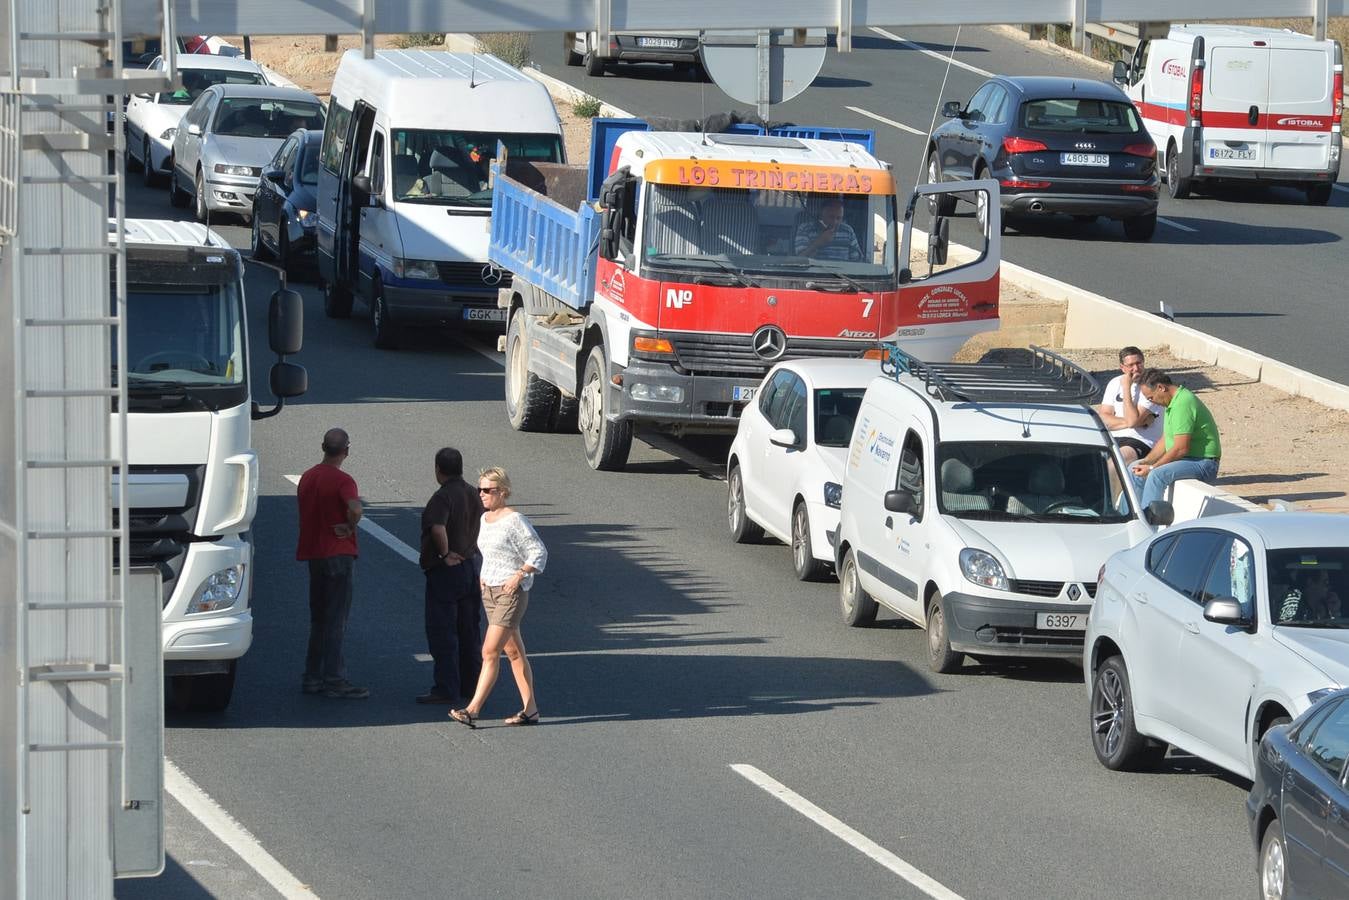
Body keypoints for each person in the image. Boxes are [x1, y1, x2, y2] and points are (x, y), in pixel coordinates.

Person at [451, 467, 548, 728]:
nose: (481, 494)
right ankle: (531, 711)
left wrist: (519, 575)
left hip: (511, 593)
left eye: (487, 490)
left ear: (502, 493)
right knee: (514, 652)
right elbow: (490, 553)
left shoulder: (515, 520)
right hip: (490, 591)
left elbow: (538, 552)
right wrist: (484, 576)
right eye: (479, 489)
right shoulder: (485, 520)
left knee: (489, 650)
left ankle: (472, 709)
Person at [295, 428, 368, 699]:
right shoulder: (343, 480)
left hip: (313, 553)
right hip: (337, 552)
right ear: (346, 451)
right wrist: (349, 526)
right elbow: (355, 508)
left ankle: (312, 676)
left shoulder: (308, 477)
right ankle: (334, 678)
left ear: (322, 447)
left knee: (319, 618)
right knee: (337, 619)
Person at [418, 447, 485, 705]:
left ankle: (446, 687)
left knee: (443, 631)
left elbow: (437, 526)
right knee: (469, 630)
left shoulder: (443, 496)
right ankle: (471, 684)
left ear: (438, 469)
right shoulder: (472, 493)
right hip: (471, 566)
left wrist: (444, 553)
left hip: (448, 571)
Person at [1130, 369, 1222, 511]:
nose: (1152, 402)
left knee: (1156, 476)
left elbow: (1180, 448)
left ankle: (1149, 524)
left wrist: (1152, 467)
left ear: (1161, 388)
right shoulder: (1171, 403)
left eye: (1151, 398)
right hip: (1187, 459)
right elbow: (1166, 439)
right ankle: (1130, 517)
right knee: (1134, 468)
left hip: (1203, 462)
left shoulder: (1183, 403)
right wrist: (1146, 461)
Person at [1095, 345, 1164, 464]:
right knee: (1089, 461)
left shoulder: (1151, 385)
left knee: (1114, 464)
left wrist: (1126, 387)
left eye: (1139, 363)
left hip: (1140, 440)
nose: (1136, 368)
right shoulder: (1114, 383)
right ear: (1122, 367)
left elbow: (1132, 422)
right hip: (1113, 437)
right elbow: (1104, 419)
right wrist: (1136, 421)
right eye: (1131, 365)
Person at [793, 197, 863, 261]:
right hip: (813, 272)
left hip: (842, 273)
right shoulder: (805, 229)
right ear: (821, 214)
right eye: (831, 217)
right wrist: (818, 242)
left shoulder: (848, 231)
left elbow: (857, 259)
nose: (835, 222)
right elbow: (799, 260)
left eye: (839, 218)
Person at [1277, 569, 1342, 623]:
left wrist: (1334, 612)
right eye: (1325, 583)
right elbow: (1286, 627)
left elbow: (1333, 628)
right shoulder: (1292, 602)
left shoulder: (1325, 606)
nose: (1328, 588)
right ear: (1310, 582)